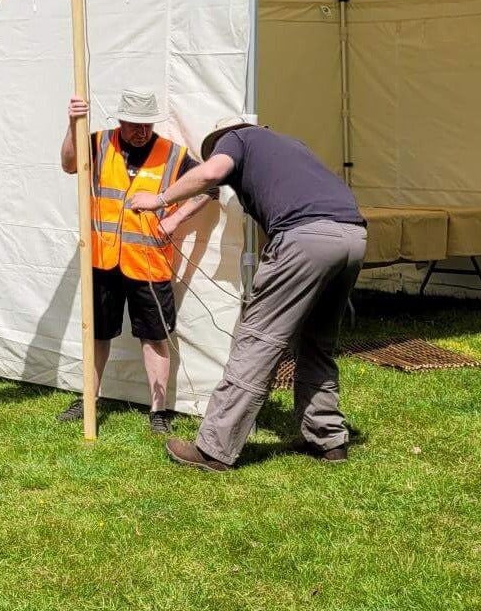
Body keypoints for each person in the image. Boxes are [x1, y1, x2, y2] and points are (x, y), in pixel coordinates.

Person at [128, 115, 367, 470]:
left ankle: (214, 449)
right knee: (318, 341)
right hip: (353, 235)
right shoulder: (291, 145)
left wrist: (161, 199)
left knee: (257, 343)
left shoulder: (237, 140)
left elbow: (211, 173)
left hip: (306, 237)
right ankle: (329, 439)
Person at [60, 88, 214, 434]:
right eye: (133, 125)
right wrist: (73, 124)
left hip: (148, 262)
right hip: (103, 260)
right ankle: (89, 398)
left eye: (146, 125)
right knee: (97, 334)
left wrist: (173, 220)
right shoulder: (98, 143)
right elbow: (69, 164)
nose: (141, 132)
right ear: (120, 120)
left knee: (155, 336)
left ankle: (158, 412)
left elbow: (209, 188)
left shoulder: (173, 156)